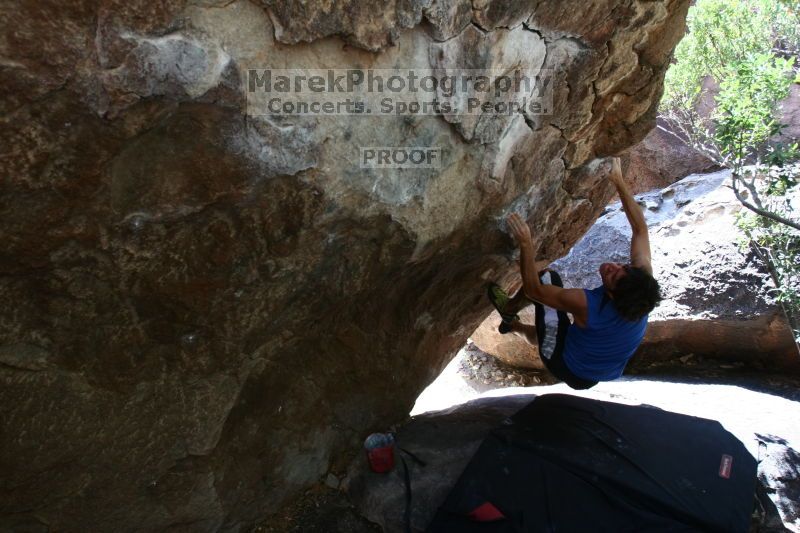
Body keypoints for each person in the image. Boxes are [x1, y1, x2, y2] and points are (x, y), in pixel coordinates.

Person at [488, 158, 661, 389]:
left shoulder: (587, 305)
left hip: (565, 365)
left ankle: (509, 311)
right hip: (596, 372)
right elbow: (640, 229)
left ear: (612, 297)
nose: (613, 267)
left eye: (614, 277)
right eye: (623, 267)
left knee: (547, 279)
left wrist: (526, 243)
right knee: (555, 331)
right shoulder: (640, 291)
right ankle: (513, 327)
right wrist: (618, 182)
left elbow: (534, 291)